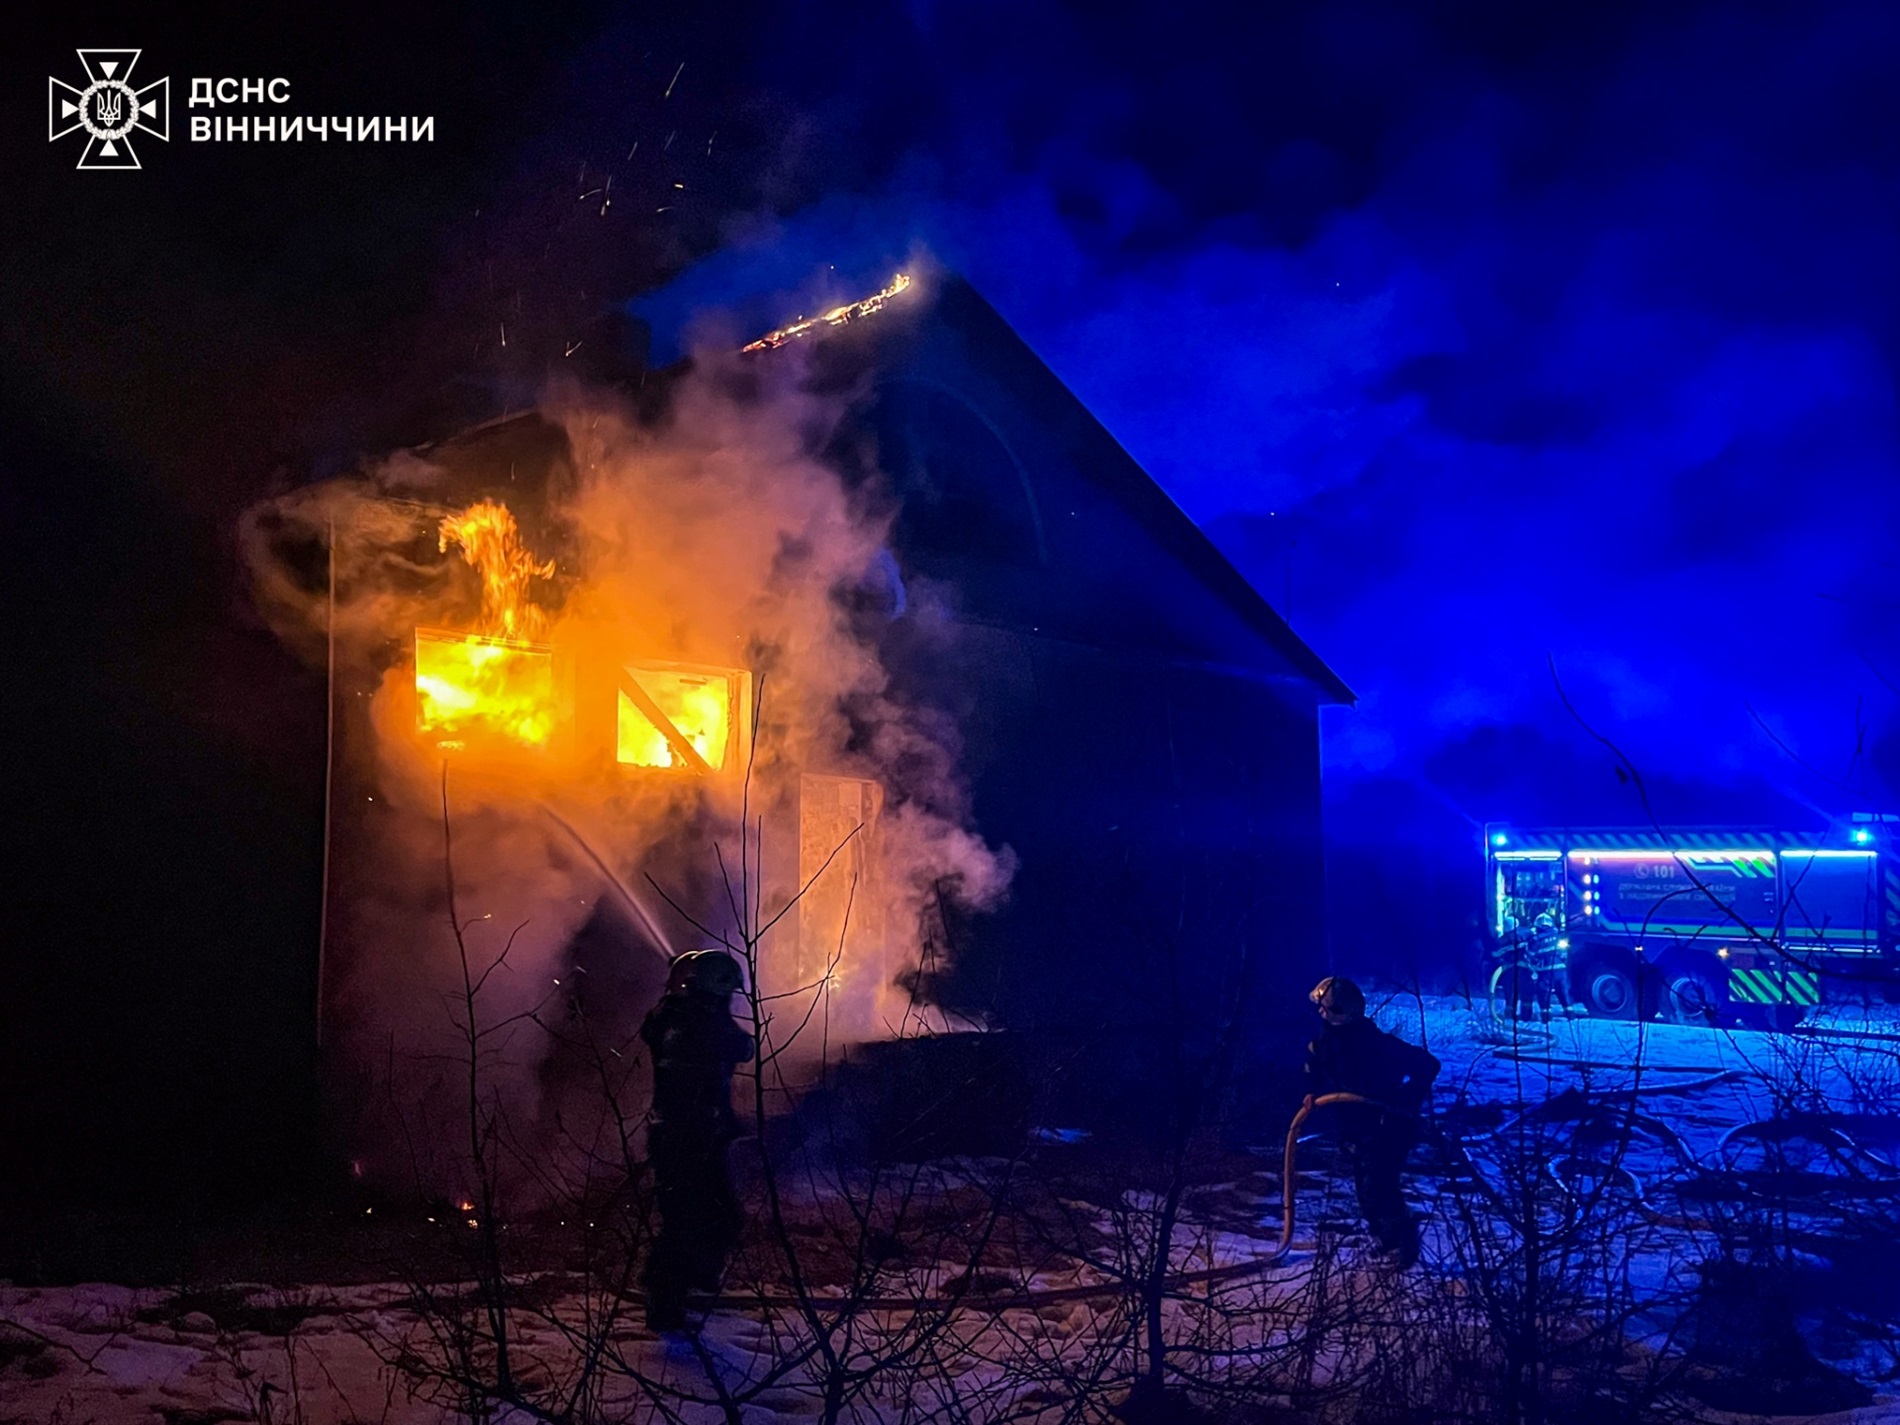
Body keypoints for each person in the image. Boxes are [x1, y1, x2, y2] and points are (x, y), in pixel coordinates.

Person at [640, 949, 756, 1331]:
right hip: (693, 1139)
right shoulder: (706, 1024)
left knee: (703, 1217)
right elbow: (744, 1047)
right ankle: (666, 1301)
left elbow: (655, 1026)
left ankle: (687, 1282)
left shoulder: (672, 1016)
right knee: (694, 1221)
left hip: (677, 1135)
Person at [1302, 976, 1440, 1268]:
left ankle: (1402, 1245)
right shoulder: (1325, 1045)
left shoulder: (1376, 1046)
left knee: (1379, 1186)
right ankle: (1386, 1242)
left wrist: (1405, 1100)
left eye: (1325, 1009)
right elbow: (1316, 1071)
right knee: (1366, 1190)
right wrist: (1310, 1093)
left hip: (1388, 1126)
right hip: (1356, 1128)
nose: (1320, 1014)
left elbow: (1428, 1065)